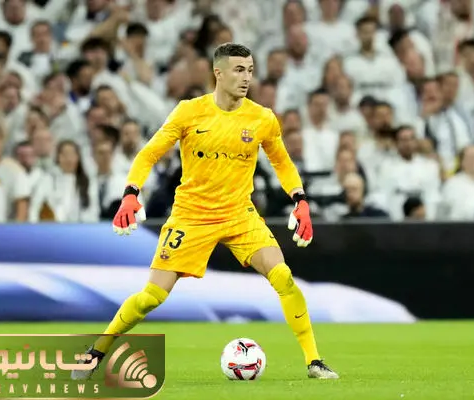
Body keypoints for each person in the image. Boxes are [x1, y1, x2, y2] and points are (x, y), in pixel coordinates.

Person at [71, 43, 339, 380]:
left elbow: (282, 162)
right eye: (239, 70)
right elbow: (149, 154)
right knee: (151, 297)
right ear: (218, 73)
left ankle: (314, 361)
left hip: (239, 214)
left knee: (283, 277)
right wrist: (131, 193)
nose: (247, 77)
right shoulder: (189, 111)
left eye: (250, 70)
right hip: (191, 216)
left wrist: (300, 200)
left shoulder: (262, 118)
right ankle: (96, 352)